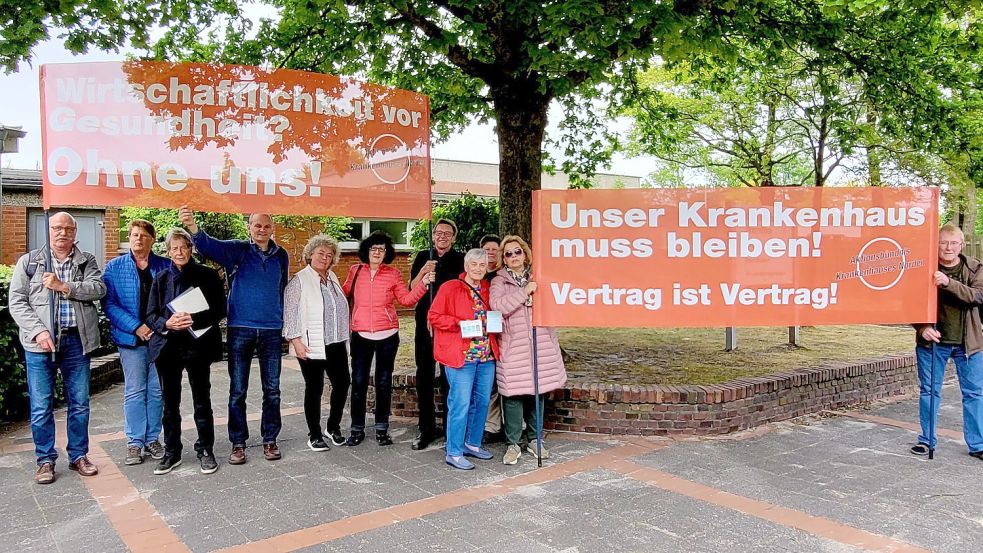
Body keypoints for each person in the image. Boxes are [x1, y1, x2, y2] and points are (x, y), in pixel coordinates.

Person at [179, 206, 289, 464]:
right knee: (238, 389)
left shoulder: (281, 255)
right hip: (241, 328)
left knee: (272, 389)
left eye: (266, 226)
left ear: (272, 229)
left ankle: (270, 439)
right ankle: (238, 442)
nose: (262, 230)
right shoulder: (237, 250)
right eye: (257, 225)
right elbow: (209, 246)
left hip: (272, 329)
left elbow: (281, 287)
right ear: (249, 228)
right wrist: (193, 226)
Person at [8, 212, 106, 484]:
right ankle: (45, 460)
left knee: (80, 404)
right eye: (57, 228)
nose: (62, 233)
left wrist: (64, 286)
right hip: (40, 344)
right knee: (41, 406)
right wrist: (38, 331)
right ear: (49, 230)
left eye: (67, 229)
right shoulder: (29, 262)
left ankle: (78, 455)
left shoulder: (86, 261)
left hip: (77, 340)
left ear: (75, 232)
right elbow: (17, 302)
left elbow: (98, 289)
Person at [146, 229, 226, 475]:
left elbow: (220, 309)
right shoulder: (160, 279)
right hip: (168, 348)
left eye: (183, 247)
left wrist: (194, 318)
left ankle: (205, 449)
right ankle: (172, 452)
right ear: (168, 252)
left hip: (197, 346)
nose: (179, 252)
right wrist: (166, 324)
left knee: (202, 401)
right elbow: (150, 315)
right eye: (174, 248)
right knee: (170, 403)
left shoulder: (208, 275)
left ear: (191, 249)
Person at [343, 231, 435, 447]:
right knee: (358, 382)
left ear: (387, 253)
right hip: (361, 335)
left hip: (387, 336)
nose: (377, 252)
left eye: (381, 249)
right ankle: (356, 429)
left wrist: (424, 284)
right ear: (366, 251)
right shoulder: (355, 271)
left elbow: (405, 299)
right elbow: (344, 293)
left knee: (384, 383)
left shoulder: (392, 274)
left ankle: (382, 429)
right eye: (373, 248)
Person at [490, 235, 567, 466]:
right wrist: (524, 292)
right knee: (513, 395)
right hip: (514, 346)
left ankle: (535, 439)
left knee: (538, 392)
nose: (513, 257)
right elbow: (498, 306)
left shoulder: (539, 276)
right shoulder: (499, 282)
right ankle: (513, 443)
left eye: (517, 252)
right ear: (503, 259)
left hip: (540, 342)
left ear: (525, 253)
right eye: (508, 254)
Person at [911, 224, 983, 460]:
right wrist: (921, 328)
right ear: (936, 244)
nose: (948, 247)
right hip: (933, 344)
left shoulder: (975, 268)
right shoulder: (923, 268)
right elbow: (907, 300)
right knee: (929, 392)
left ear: (961, 245)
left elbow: (977, 296)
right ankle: (926, 441)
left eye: (953, 243)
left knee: (973, 393)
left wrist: (948, 283)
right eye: (943, 242)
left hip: (968, 344)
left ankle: (977, 444)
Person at [102, 219, 170, 466]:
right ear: (128, 238)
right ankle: (134, 442)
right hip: (130, 339)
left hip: (159, 339)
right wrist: (136, 326)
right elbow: (109, 304)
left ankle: (152, 438)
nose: (138, 239)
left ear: (152, 239)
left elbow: (172, 300)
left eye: (143, 235)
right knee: (134, 390)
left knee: (156, 391)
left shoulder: (165, 265)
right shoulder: (115, 267)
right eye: (134, 235)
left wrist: (157, 326)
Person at [429, 248, 499, 470]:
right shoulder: (451, 287)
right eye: (474, 264)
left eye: (482, 265)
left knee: (481, 403)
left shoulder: (488, 288)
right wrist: (458, 323)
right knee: (460, 404)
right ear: (466, 266)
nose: (478, 269)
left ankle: (472, 443)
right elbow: (434, 316)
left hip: (486, 356)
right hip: (461, 356)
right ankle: (454, 451)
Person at [283, 235, 351, 451]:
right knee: (314, 388)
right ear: (310, 254)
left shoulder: (332, 278)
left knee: (342, 384)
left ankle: (333, 427)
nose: (325, 257)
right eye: (321, 253)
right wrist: (295, 340)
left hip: (336, 342)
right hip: (311, 343)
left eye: (329, 255)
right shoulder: (299, 280)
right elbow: (290, 312)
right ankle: (314, 434)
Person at [409, 219, 465, 450]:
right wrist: (424, 271)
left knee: (449, 377)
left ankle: (451, 427)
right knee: (424, 375)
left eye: (447, 233)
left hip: (447, 326)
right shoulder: (424, 256)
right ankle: (427, 428)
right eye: (438, 232)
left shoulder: (461, 259)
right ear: (433, 236)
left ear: (453, 237)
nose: (442, 236)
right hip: (424, 324)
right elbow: (412, 287)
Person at [479, 234, 504, 443]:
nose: (491, 252)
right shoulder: (476, 277)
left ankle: (511, 424)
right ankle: (491, 426)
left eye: (495, 249)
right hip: (482, 337)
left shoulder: (504, 276)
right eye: (487, 249)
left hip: (504, 334)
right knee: (491, 386)